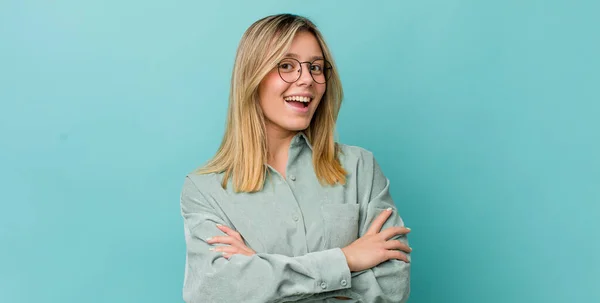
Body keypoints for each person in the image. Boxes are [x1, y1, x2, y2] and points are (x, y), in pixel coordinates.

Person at [179, 13, 412, 303]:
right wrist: (347, 259)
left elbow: (391, 286)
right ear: (252, 76)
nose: (307, 80)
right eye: (287, 66)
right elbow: (215, 293)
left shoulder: (360, 167)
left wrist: (260, 270)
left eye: (316, 67)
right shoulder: (206, 190)